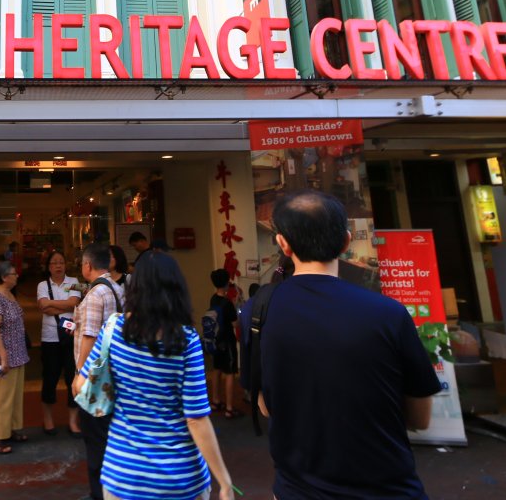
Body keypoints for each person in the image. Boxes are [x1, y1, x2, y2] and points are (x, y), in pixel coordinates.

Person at [259, 190, 441, 498]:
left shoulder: (258, 312)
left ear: (283, 244)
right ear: (346, 242)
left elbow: (265, 406)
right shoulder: (389, 313)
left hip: (298, 489)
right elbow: (420, 418)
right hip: (389, 488)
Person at [76, 251, 236, 500]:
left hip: (123, 475)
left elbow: (82, 385)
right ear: (176, 288)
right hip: (180, 478)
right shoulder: (186, 340)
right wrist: (224, 481)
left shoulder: (114, 329)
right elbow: (196, 419)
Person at [72, 242, 125, 500]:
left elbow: (90, 336)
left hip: (96, 381)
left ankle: (98, 493)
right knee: (108, 437)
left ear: (88, 265)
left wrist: (80, 375)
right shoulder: (116, 288)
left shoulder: (95, 295)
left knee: (95, 440)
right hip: (114, 373)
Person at [0, 260, 30, 454]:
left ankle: (9, 429)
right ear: (3, 277)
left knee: (14, 395)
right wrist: (3, 357)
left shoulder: (9, 294)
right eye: (13, 273)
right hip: (3, 357)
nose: (17, 275)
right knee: (0, 397)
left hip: (17, 354)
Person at [37, 250, 82, 436]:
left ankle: (73, 422)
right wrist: (64, 304)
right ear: (48, 267)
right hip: (50, 338)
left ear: (66, 265)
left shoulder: (74, 282)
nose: (58, 266)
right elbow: (42, 307)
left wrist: (52, 305)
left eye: (61, 262)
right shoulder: (42, 284)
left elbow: (74, 303)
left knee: (72, 378)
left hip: (70, 336)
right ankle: (48, 419)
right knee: (50, 378)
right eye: (54, 263)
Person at [205, 269, 241, 419]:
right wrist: (237, 306)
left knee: (217, 369)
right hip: (227, 342)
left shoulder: (213, 299)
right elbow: (235, 324)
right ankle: (230, 408)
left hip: (215, 340)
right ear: (227, 283)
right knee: (230, 373)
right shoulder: (227, 304)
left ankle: (215, 401)